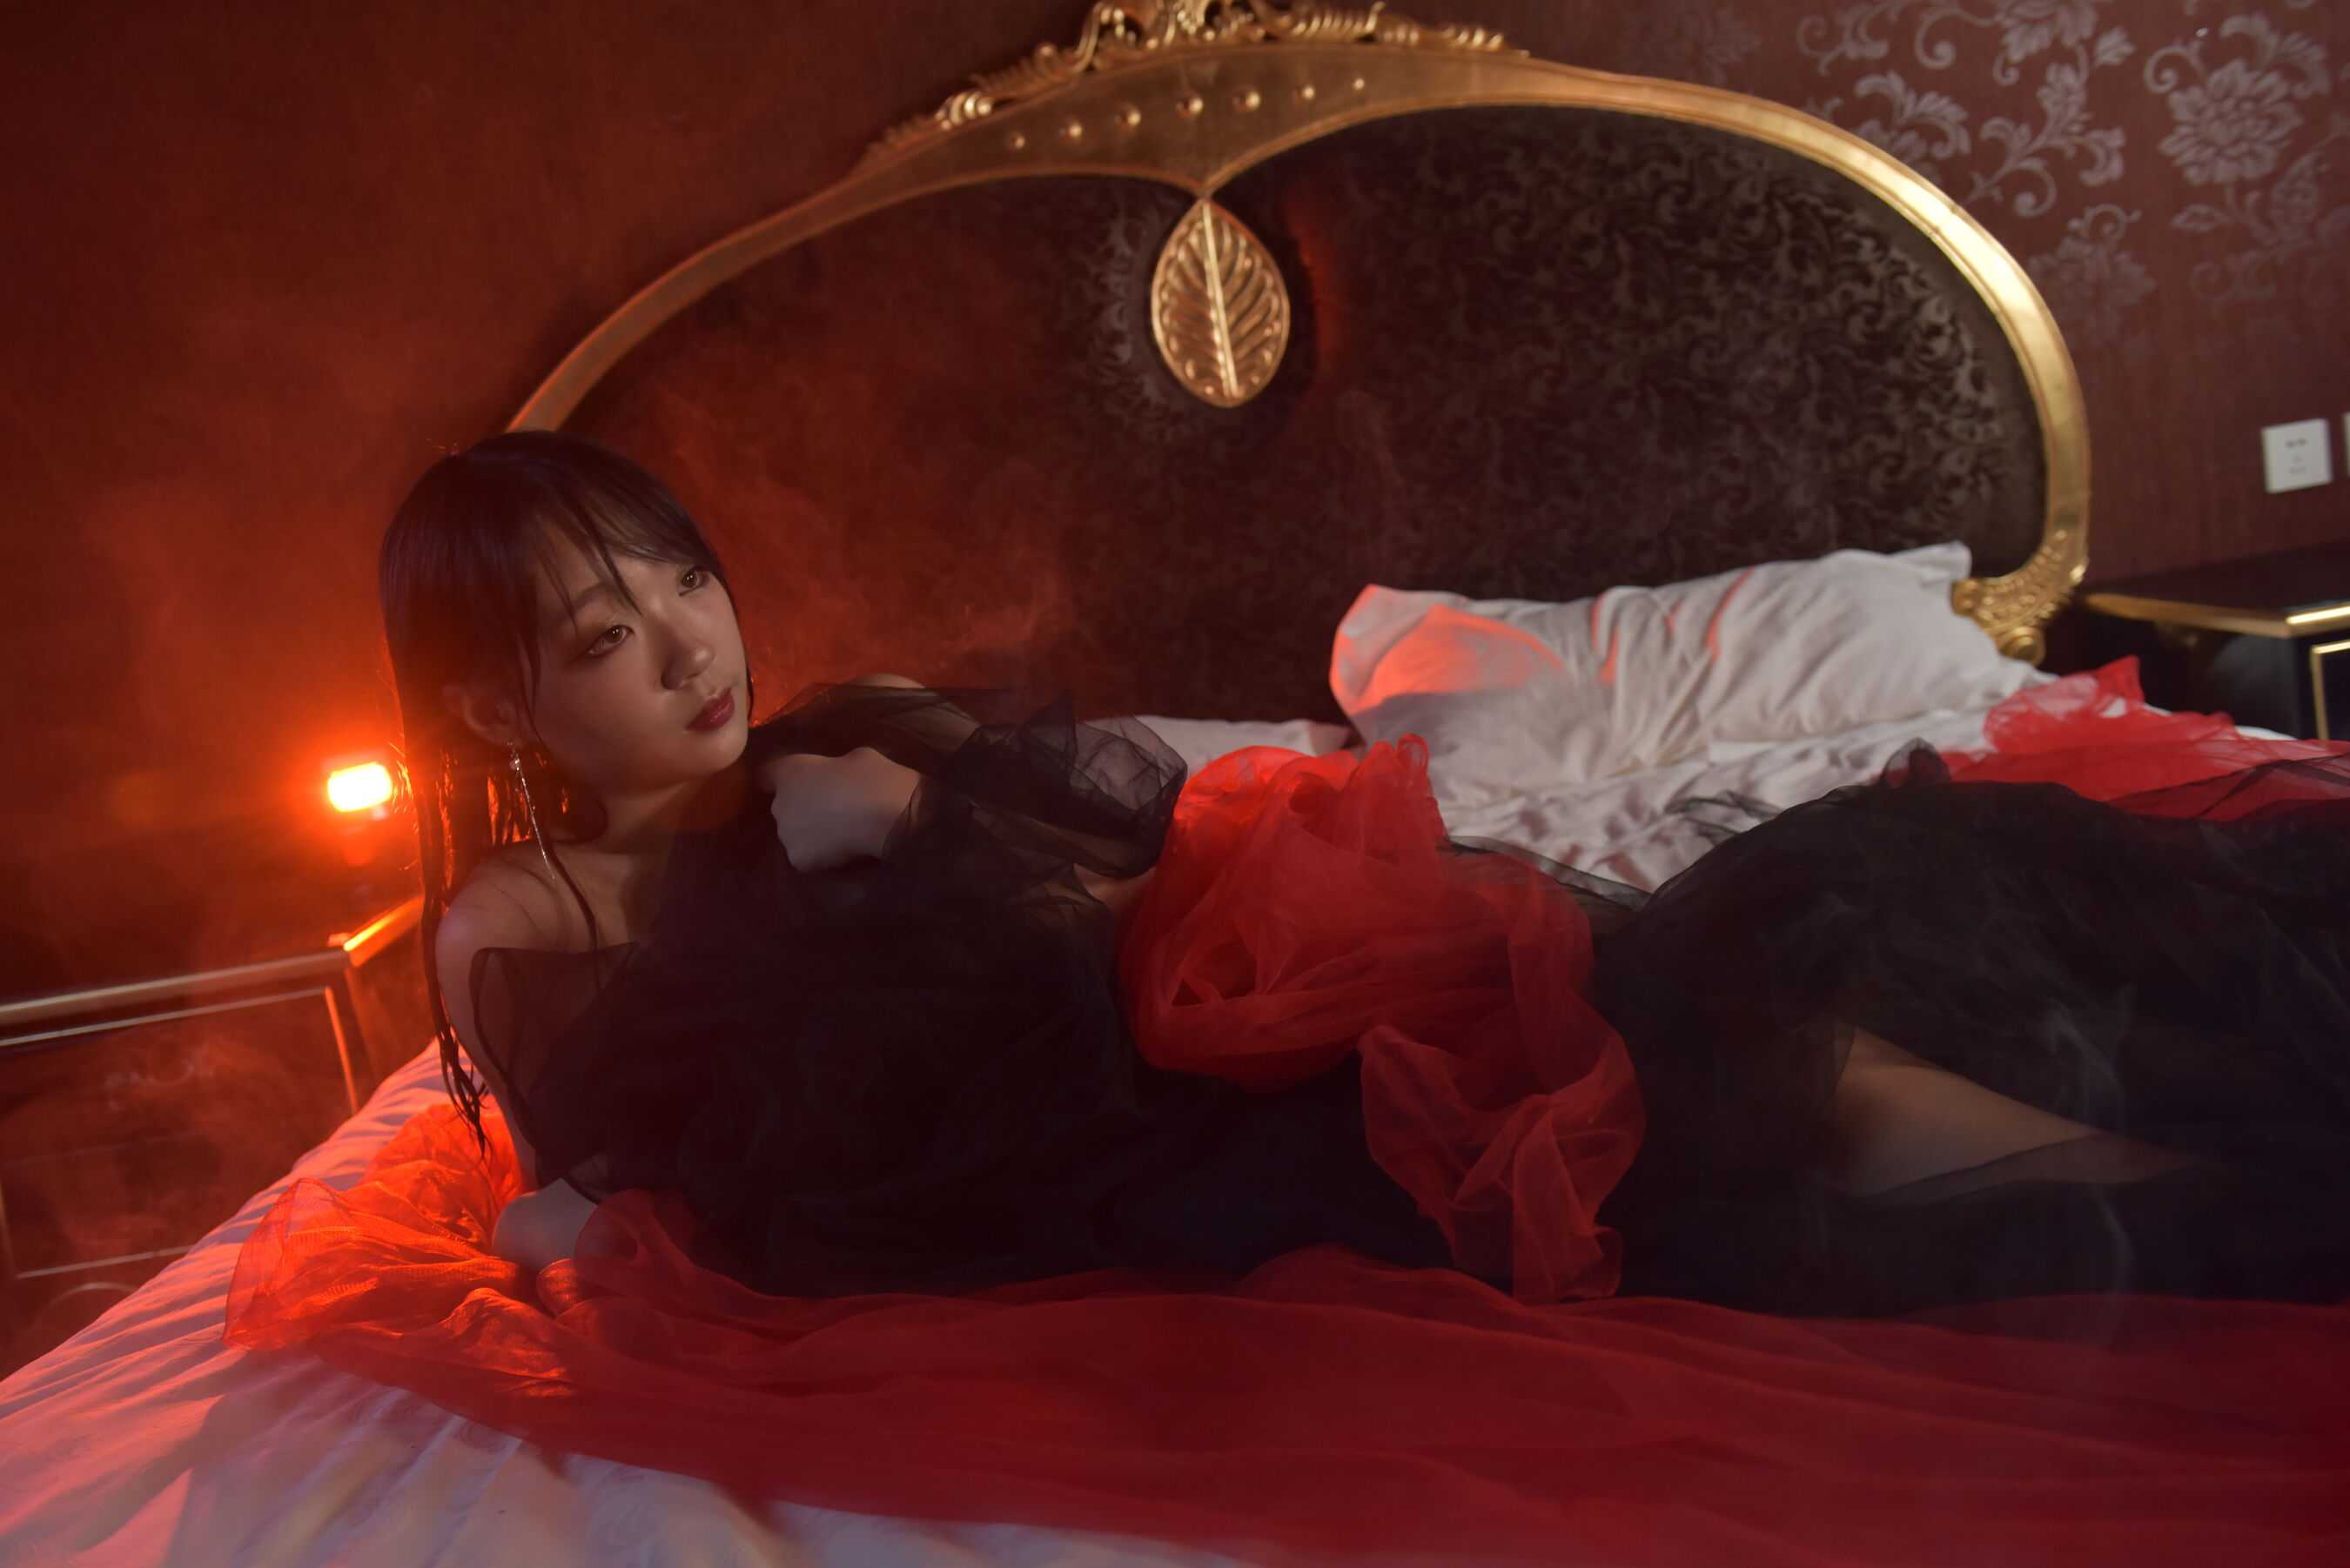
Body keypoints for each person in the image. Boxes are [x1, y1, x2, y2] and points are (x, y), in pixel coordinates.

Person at [374, 428, 2350, 1317]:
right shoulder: (526, 928)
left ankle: (2214, 1183)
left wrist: (923, 820)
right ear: (491, 706)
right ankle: (2228, 1210)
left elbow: (1143, 885)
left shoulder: (864, 731)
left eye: (686, 579)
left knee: (1757, 985)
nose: (694, 646)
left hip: (1290, 1007)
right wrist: (884, 865)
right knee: (1695, 1099)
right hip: (1157, 1155)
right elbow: (642, 1194)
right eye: (609, 635)